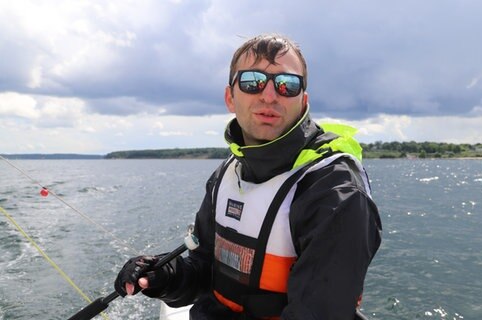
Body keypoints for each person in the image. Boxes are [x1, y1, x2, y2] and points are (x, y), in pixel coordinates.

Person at [115, 33, 382, 320]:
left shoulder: (334, 191)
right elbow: (205, 269)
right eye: (252, 82)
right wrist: (166, 276)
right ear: (230, 97)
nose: (269, 96)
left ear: (303, 101)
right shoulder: (227, 174)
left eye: (287, 85)